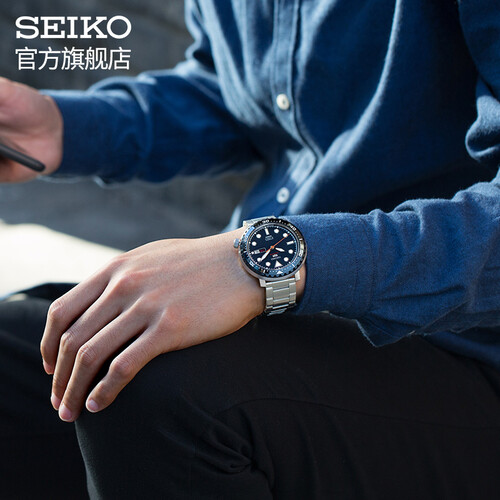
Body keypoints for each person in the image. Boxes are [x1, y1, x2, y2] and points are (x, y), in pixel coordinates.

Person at [1, 0, 500, 498]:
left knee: (157, 388)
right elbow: (233, 96)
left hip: (459, 347)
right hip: (286, 320)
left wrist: (263, 264)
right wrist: (64, 127)